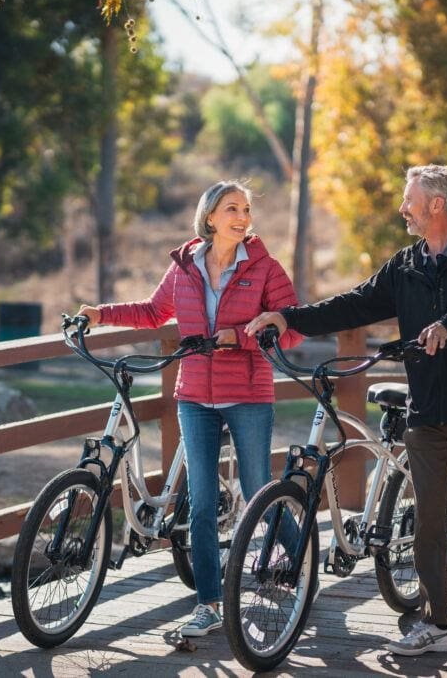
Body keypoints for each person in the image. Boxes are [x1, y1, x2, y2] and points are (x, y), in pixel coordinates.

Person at [245, 164, 447, 656]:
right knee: (430, 520)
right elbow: (354, 304)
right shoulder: (406, 265)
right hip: (426, 409)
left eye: (409, 199)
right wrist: (288, 317)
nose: (403, 208)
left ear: (436, 204)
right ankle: (438, 625)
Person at [77, 180, 303, 638]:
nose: (241, 217)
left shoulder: (264, 267)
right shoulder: (185, 266)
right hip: (195, 396)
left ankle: (299, 568)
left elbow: (292, 328)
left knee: (259, 489)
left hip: (249, 394)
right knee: (200, 504)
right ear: (210, 217)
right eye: (231, 209)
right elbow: (152, 312)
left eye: (245, 209)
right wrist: (100, 314)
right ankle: (208, 604)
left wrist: (239, 337)